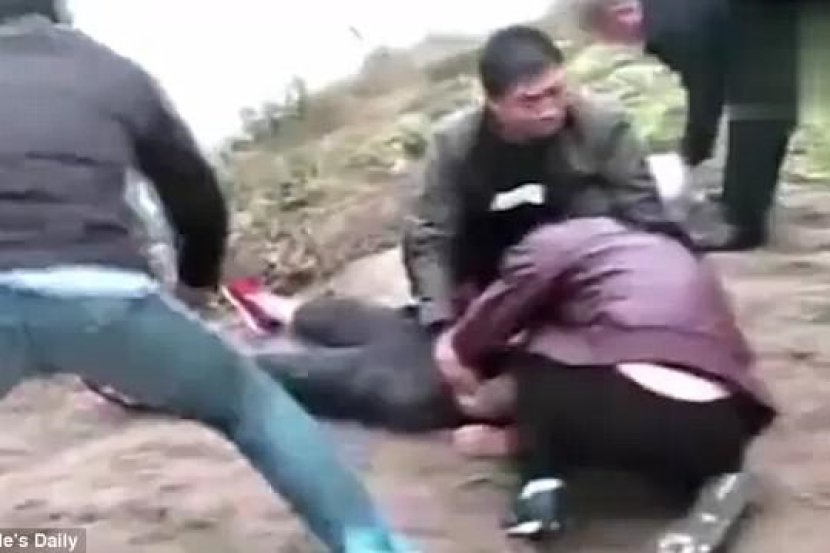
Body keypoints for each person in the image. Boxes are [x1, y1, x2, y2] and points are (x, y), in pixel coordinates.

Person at [0, 3, 413, 552]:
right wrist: (194, 284)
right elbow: (196, 196)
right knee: (253, 407)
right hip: (104, 296)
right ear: (58, 11)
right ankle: (370, 545)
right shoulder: (110, 71)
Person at [220, 213, 775, 542]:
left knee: (385, 378)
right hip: (721, 431)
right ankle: (280, 310)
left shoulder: (547, 254)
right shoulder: (663, 261)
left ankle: (540, 480)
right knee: (386, 330)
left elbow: (467, 356)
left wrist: (483, 402)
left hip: (597, 403)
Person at [435, 215, 777, 539]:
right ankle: (708, 483)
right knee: (594, 364)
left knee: (545, 351)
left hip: (606, 404)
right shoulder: (681, 258)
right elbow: (738, 357)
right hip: (720, 428)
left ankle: (539, 477)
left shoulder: (558, 241)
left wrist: (460, 352)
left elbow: (494, 318)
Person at [401, 24, 690, 334]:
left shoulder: (604, 125)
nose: (549, 110)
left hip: (573, 239)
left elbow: (642, 207)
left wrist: (671, 271)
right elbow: (430, 236)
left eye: (555, 92)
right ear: (494, 103)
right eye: (530, 101)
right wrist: (440, 321)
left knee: (600, 206)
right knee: (426, 247)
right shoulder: (453, 144)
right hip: (487, 245)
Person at [575, 0, 799, 250]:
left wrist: (690, 152)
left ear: (624, 15)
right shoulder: (671, 13)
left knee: (757, 113)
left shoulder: (669, 29)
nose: (620, 47)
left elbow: (703, 96)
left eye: (608, 38)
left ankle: (741, 226)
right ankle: (742, 207)